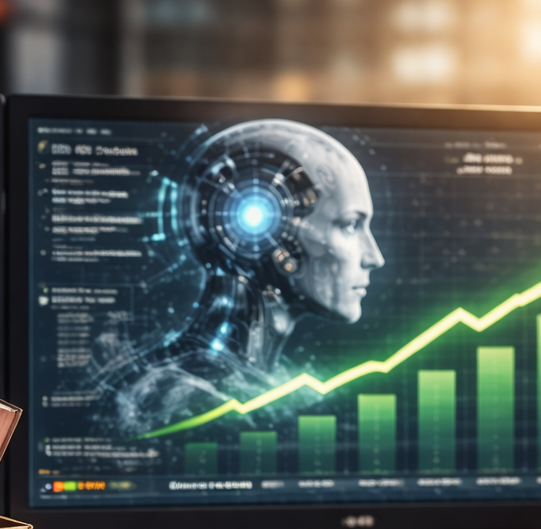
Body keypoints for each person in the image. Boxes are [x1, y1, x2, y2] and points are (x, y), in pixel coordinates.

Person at [101, 119, 384, 439]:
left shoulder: (265, 387)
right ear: (266, 234)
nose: (374, 257)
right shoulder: (191, 403)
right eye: (350, 225)